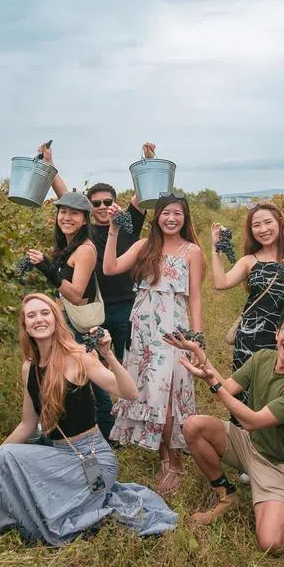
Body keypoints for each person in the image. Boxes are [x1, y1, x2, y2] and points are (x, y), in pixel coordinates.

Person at [0, 293, 178, 545]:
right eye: (31, 315)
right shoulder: (29, 368)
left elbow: (130, 393)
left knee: (54, 497)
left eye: (45, 313)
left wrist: (108, 355)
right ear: (25, 325)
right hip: (57, 454)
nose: (39, 319)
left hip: (91, 459)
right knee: (6, 458)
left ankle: (73, 506)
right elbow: (27, 425)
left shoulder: (79, 357)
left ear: (56, 319)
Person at [166, 303, 284, 553]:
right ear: (277, 334)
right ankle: (226, 494)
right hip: (248, 443)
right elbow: (227, 388)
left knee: (272, 543)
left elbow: (251, 420)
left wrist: (214, 385)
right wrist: (197, 351)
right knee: (194, 426)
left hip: (275, 464)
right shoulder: (262, 358)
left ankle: (274, 496)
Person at [102, 193, 204, 495]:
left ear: (185, 217)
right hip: (143, 327)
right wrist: (113, 230)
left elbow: (196, 298)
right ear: (157, 216)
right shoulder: (143, 246)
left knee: (170, 393)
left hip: (173, 329)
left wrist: (197, 340)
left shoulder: (192, 251)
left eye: (177, 213)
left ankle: (175, 461)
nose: (171, 218)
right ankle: (164, 457)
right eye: (165, 213)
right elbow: (109, 268)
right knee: (150, 392)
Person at [41, 142, 148, 362]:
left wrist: (148, 161)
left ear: (116, 203)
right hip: (95, 309)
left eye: (107, 202)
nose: (102, 206)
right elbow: (66, 197)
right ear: (88, 209)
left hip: (127, 305)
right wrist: (49, 165)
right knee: (95, 366)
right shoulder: (85, 231)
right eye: (95, 203)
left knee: (128, 362)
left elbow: (143, 191)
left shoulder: (128, 224)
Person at [210, 202, 284, 373]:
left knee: (283, 387)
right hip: (250, 339)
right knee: (247, 388)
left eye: (268, 222)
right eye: (256, 225)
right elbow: (221, 283)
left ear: (279, 222)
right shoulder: (249, 261)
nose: (263, 229)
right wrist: (215, 249)